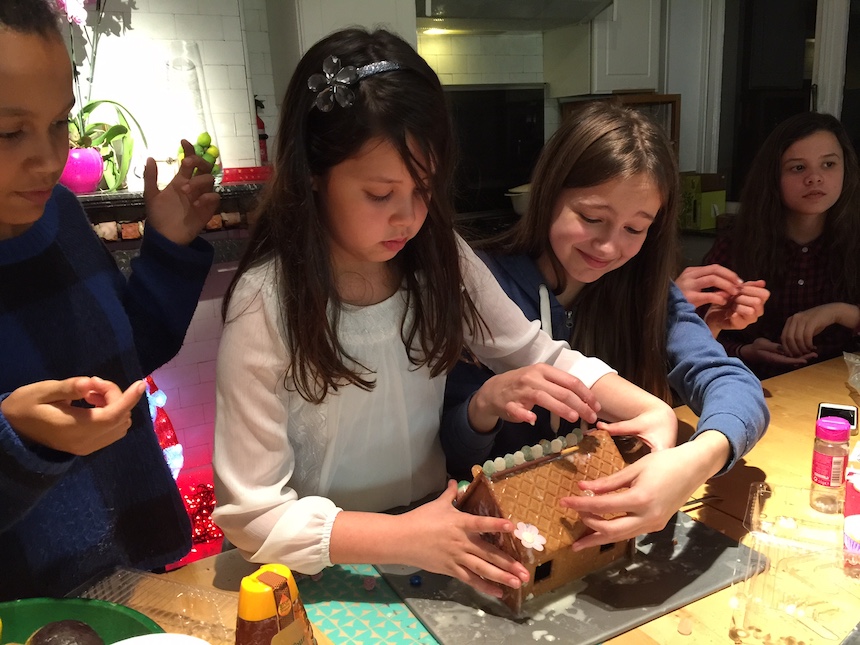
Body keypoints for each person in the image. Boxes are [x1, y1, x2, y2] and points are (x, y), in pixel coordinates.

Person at [212, 28, 677, 600]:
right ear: (314, 174)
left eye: (424, 189)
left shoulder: (438, 258)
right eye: (380, 195)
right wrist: (402, 536)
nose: (408, 218)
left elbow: (535, 352)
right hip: (317, 569)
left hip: (432, 540)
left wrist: (653, 413)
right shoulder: (268, 301)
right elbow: (250, 515)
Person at [441, 100, 769, 550]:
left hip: (614, 532)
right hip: (506, 539)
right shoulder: (484, 289)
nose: (609, 246)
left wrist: (697, 459)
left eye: (635, 229)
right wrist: (482, 408)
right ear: (548, 192)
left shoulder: (646, 292)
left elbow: (732, 383)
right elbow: (455, 455)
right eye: (592, 218)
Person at [0, 0, 220, 600]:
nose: (48, 160)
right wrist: (16, 438)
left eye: (59, 124)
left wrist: (169, 246)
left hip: (130, 570)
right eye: (10, 131)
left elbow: (126, 357)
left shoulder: (61, 219)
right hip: (23, 607)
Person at [685, 111, 860, 379]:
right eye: (798, 167)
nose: (815, 178)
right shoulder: (736, 245)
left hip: (839, 389)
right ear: (773, 177)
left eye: (828, 164)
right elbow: (690, 339)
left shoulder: (854, 240)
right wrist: (745, 350)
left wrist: (840, 313)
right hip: (757, 388)